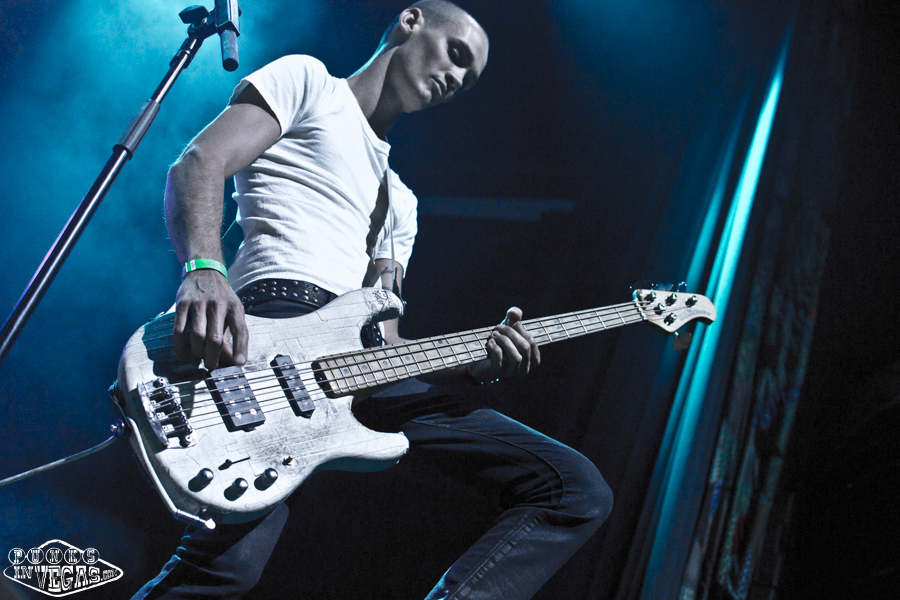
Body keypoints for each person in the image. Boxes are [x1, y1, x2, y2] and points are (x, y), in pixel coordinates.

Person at [133, 2, 613, 598]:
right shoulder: (310, 82)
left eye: (469, 78)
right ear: (410, 22)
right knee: (227, 569)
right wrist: (205, 269)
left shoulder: (401, 204)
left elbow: (382, 340)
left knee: (573, 489)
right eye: (456, 54)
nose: (456, 79)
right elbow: (199, 162)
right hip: (271, 328)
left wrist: (476, 363)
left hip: (357, 369)